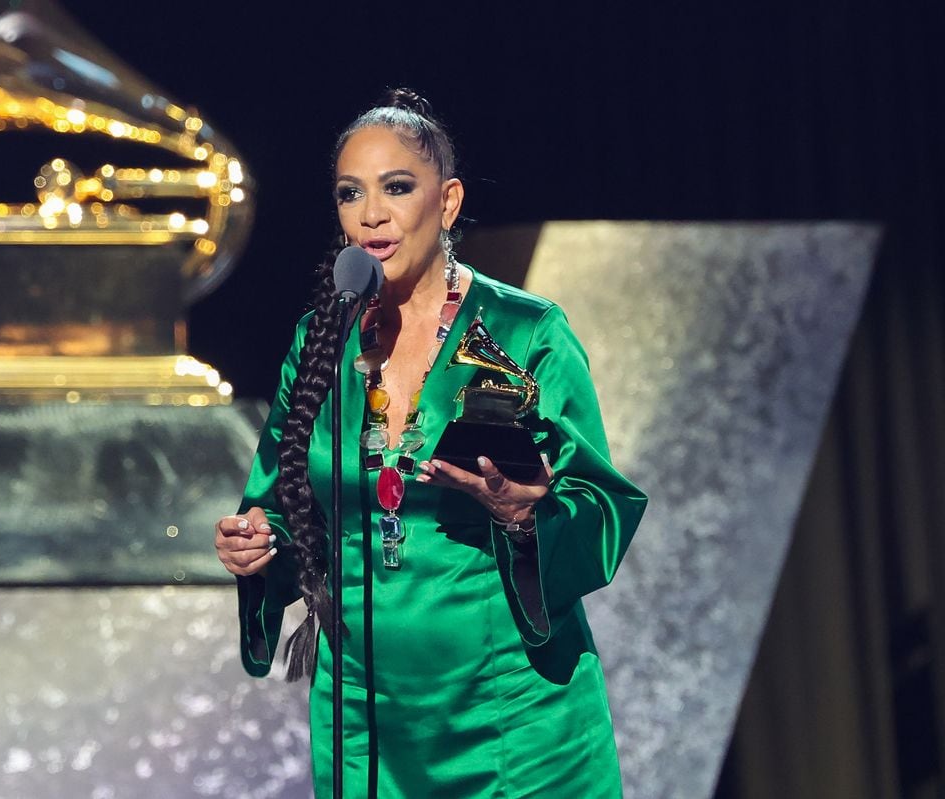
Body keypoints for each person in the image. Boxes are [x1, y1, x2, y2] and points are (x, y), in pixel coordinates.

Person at [214, 88, 647, 798]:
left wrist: (523, 514)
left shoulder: (526, 332)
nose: (372, 214)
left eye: (397, 188)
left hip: (514, 724)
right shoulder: (322, 344)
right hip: (367, 726)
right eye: (351, 193)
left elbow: (600, 501)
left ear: (446, 203)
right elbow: (281, 506)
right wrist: (256, 546)